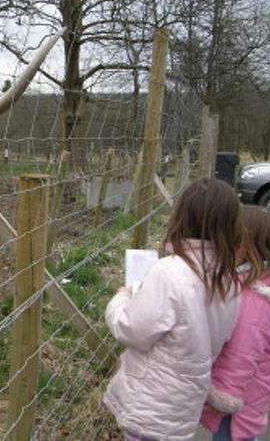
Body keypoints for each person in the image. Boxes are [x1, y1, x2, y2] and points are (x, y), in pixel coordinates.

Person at [103, 178, 243, 440]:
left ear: (181, 216)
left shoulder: (170, 272)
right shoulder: (229, 280)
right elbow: (223, 335)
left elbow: (132, 331)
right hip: (184, 404)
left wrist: (121, 299)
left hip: (151, 403)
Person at [200, 204, 270, 441]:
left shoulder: (254, 299)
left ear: (248, 245)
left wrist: (223, 397)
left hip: (238, 400)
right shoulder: (258, 281)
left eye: (233, 237)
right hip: (248, 393)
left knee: (232, 437)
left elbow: (241, 355)